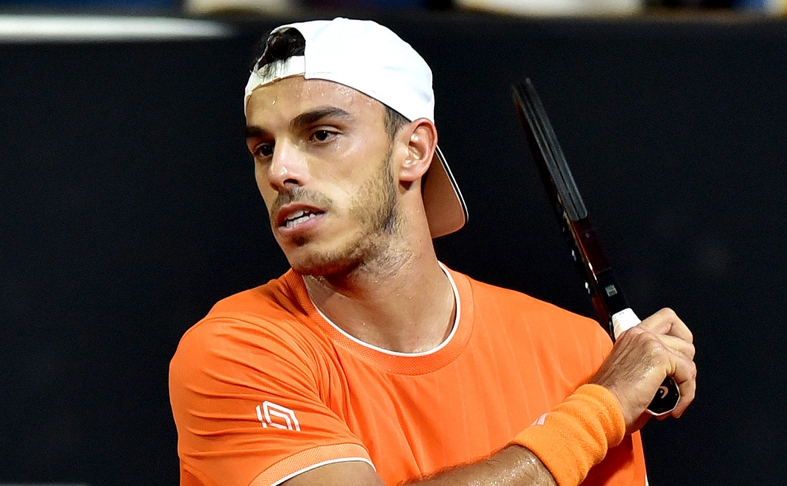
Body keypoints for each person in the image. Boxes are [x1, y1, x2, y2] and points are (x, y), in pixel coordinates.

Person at [168, 17, 697, 486]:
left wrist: (602, 397)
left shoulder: (580, 354)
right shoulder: (232, 354)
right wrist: (599, 411)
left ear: (414, 150)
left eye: (321, 134)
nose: (279, 171)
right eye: (263, 148)